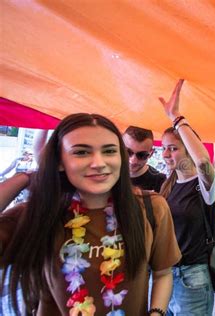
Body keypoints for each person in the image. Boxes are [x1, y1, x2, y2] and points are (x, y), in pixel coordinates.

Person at [0, 113, 181, 315]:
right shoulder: (38, 213)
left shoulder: (152, 207)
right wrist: (26, 177)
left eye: (109, 151)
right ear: (59, 161)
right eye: (81, 152)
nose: (98, 163)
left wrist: (156, 313)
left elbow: (163, 273)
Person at [158, 79, 215, 316]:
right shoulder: (168, 184)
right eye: (163, 148)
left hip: (192, 277)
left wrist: (176, 118)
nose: (165, 154)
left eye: (173, 148)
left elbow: (203, 162)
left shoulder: (204, 185)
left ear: (187, 149)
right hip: (164, 276)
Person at [123, 126, 167, 192]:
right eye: (127, 152)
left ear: (151, 153)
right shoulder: (109, 174)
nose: (133, 161)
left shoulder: (160, 182)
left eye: (141, 155)